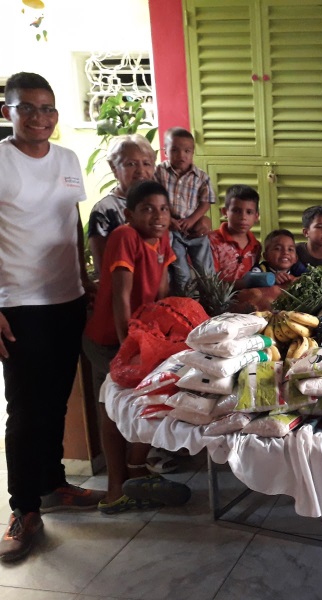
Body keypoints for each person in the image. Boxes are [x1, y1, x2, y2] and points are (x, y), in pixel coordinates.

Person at [0, 72, 103, 563]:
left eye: (48, 109)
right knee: (24, 409)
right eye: (28, 109)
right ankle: (23, 509)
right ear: (8, 113)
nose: (40, 119)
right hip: (16, 303)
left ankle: (54, 484)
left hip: (66, 298)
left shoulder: (67, 159)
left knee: (58, 400)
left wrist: (83, 279)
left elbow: (72, 222)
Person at [83, 180, 191, 514]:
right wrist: (126, 345)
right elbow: (120, 295)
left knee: (146, 398)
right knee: (112, 408)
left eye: (163, 209)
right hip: (108, 339)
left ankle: (137, 469)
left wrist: (163, 333)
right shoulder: (124, 236)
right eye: (147, 209)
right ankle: (116, 489)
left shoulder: (164, 237)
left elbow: (160, 292)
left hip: (140, 335)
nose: (157, 216)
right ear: (129, 214)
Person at [154, 127, 215, 293]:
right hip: (172, 230)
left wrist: (192, 220)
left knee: (205, 269)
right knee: (181, 270)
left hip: (195, 229)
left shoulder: (201, 177)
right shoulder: (159, 172)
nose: (181, 155)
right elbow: (155, 198)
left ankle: (211, 301)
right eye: (174, 150)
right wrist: (169, 220)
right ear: (165, 151)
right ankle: (185, 302)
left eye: (187, 151)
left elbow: (206, 202)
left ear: (193, 152)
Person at [87, 134, 156, 271]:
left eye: (146, 163)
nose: (141, 171)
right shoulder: (104, 210)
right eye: (131, 164)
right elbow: (103, 267)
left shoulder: (159, 203)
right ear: (114, 167)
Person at [208, 184, 263, 288]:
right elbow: (208, 283)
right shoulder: (211, 241)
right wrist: (242, 284)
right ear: (225, 212)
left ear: (256, 216)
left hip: (247, 299)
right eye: (236, 211)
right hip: (215, 301)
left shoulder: (256, 247)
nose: (243, 217)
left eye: (249, 212)